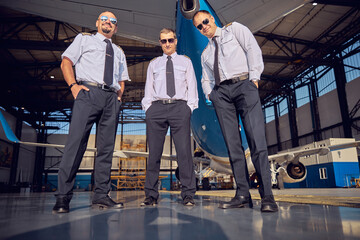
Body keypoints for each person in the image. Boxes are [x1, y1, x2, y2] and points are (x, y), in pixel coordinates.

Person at [192, 10, 278, 212]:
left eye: (205, 21)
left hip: (244, 85)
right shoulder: (205, 54)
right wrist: (210, 95)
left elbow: (252, 49)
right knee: (233, 146)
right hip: (221, 94)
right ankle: (242, 194)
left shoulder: (235, 30)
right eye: (199, 26)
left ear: (212, 19)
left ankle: (267, 197)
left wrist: (254, 79)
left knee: (257, 142)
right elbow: (205, 78)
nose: (204, 27)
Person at [52, 11, 130, 213]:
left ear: (116, 27)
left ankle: (102, 195)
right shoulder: (83, 39)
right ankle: (62, 198)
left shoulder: (119, 51)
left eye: (113, 21)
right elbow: (66, 61)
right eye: (104, 19)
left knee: (106, 150)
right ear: (97, 23)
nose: (108, 23)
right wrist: (73, 86)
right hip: (87, 93)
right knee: (75, 144)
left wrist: (119, 96)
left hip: (111, 98)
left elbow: (122, 78)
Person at [141, 28, 198, 206]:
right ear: (160, 42)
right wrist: (148, 109)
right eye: (163, 41)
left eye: (170, 40)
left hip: (180, 107)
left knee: (184, 153)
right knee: (154, 154)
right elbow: (148, 88)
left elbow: (192, 86)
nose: (167, 44)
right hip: (156, 109)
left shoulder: (185, 62)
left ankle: (188, 194)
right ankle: (151, 194)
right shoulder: (154, 64)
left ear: (175, 41)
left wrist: (189, 108)